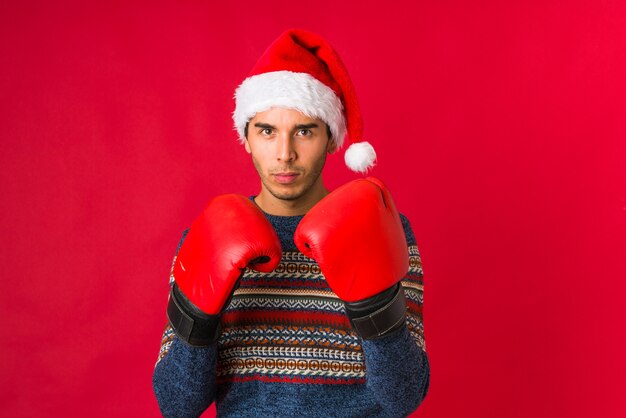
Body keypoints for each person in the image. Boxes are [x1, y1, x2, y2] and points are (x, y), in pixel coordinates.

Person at [152, 29, 430, 417]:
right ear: (246, 138)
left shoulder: (384, 226)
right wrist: (198, 322)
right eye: (267, 131)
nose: (285, 154)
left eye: (304, 131)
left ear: (332, 139)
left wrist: (375, 305)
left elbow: (404, 396)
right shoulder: (206, 237)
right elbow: (176, 405)